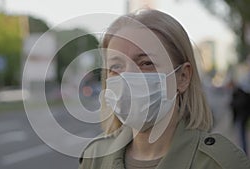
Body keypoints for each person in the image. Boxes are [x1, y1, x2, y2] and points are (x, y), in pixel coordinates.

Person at [78, 9, 250, 169]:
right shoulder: (94, 157)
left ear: (183, 77)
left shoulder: (221, 163)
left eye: (146, 63)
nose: (127, 78)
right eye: (116, 67)